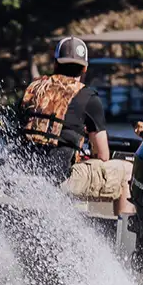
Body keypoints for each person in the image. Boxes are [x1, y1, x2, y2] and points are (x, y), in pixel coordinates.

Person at [19, 36, 131, 211]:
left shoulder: (34, 89)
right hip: (59, 179)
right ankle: (122, 236)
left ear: (56, 64)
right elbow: (103, 156)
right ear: (85, 68)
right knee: (126, 172)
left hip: (23, 171)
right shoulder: (88, 98)